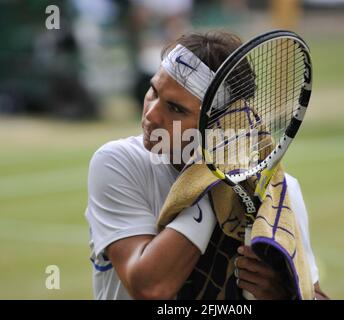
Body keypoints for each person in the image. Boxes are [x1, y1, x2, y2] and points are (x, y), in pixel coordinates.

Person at [85, 31, 328, 300]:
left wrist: (286, 296)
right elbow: (149, 288)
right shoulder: (119, 162)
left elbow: (313, 293)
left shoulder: (279, 191)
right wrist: (217, 181)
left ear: (222, 123)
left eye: (176, 109)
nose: (151, 114)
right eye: (153, 91)